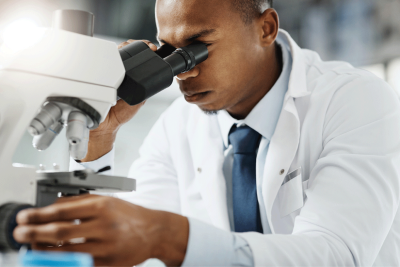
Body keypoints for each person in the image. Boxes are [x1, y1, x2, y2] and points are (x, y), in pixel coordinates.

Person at [13, 0, 400, 266]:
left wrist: (170, 236)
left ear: (266, 28)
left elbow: (337, 255)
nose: (183, 70)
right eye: (169, 51)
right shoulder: (177, 126)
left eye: (199, 47)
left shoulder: (355, 100)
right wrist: (100, 140)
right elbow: (127, 247)